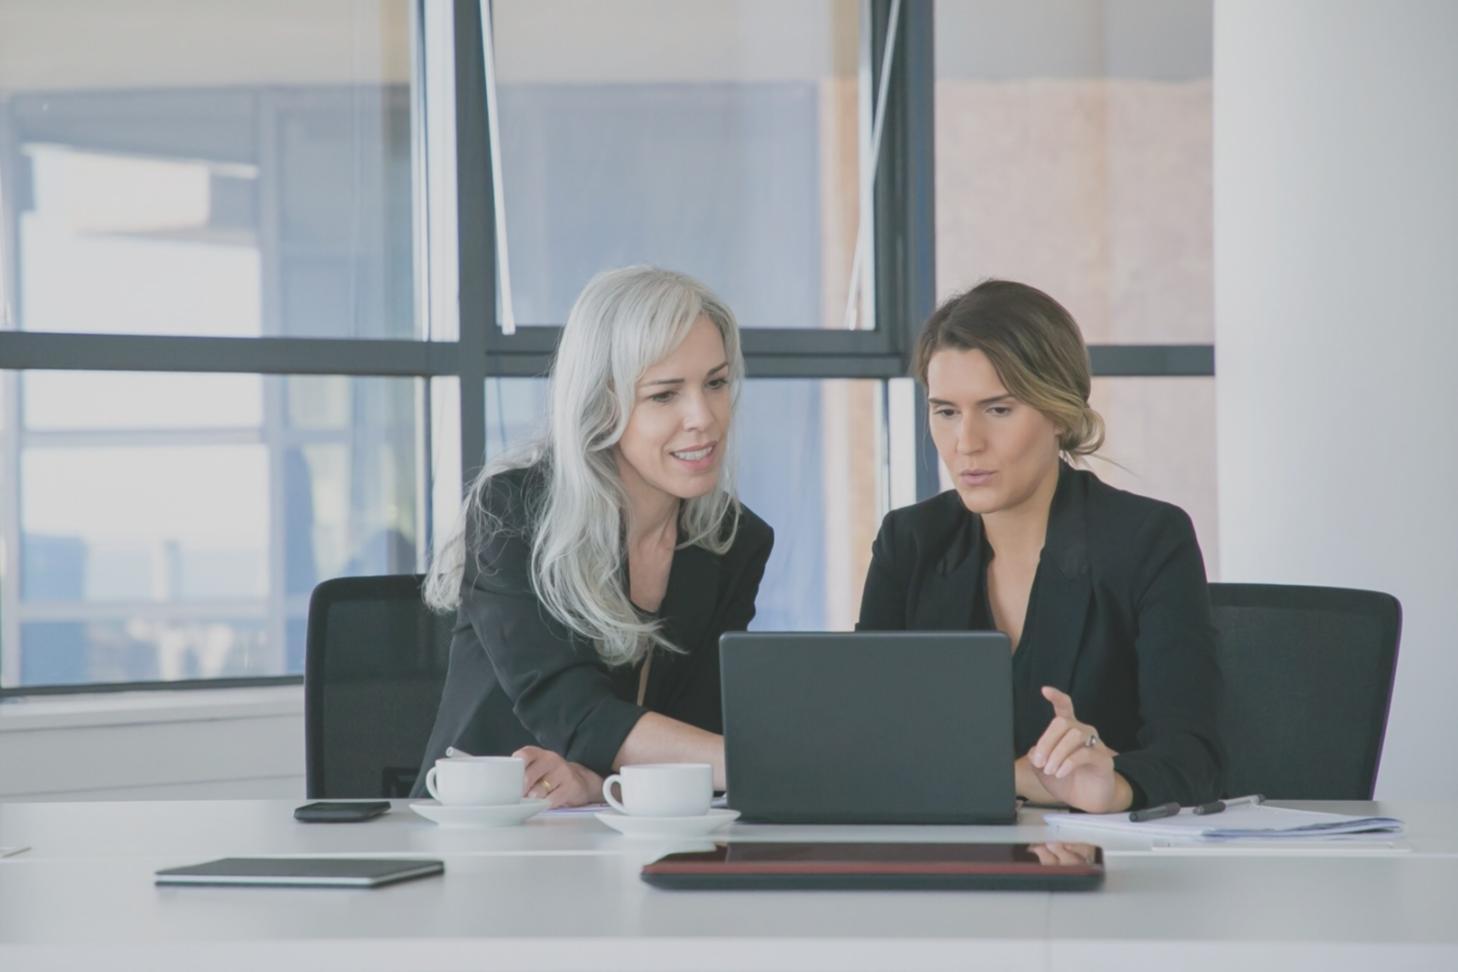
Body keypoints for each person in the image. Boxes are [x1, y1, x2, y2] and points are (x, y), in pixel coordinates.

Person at [856, 280, 1222, 812]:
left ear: (1058, 412)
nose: (966, 443)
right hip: (941, 860)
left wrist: (1112, 786)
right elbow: (862, 747)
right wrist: (1018, 778)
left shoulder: (1147, 541)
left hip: (1107, 869)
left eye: (999, 410)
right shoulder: (909, 543)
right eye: (946, 412)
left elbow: (1195, 759)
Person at [416, 266, 774, 807]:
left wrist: (599, 782)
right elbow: (573, 713)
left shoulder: (733, 540)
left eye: (716, 384)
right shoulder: (514, 513)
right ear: (602, 402)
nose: (704, 417)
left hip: (626, 828)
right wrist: (774, 762)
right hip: (486, 826)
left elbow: (694, 732)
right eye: (664, 395)